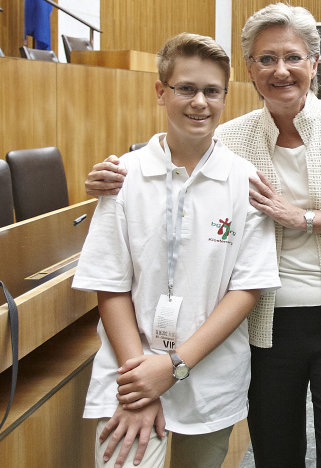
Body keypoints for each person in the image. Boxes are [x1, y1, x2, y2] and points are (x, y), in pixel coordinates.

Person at [85, 3, 321, 468]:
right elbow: (176, 162)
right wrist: (112, 177)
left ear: (314, 63)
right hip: (265, 327)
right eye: (265, 59)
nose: (280, 70)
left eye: (292, 57)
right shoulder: (231, 138)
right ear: (249, 71)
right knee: (275, 454)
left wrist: (306, 218)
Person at [73, 33, 281, 468]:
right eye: (186, 88)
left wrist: (172, 367)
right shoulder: (123, 177)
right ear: (161, 91)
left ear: (225, 97)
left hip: (209, 377)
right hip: (129, 374)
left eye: (211, 91)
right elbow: (110, 286)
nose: (199, 102)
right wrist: (141, 378)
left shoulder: (246, 182)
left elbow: (246, 290)